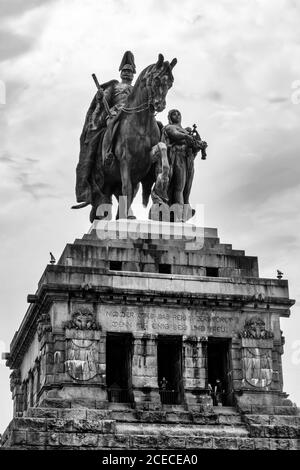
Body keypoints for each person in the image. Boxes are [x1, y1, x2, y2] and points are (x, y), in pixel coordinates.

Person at [74, 51, 136, 208]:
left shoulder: (137, 89)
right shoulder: (114, 86)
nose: (127, 74)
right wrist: (100, 97)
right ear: (121, 72)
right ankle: (108, 152)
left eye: (130, 71)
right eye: (125, 71)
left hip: (135, 117)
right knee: (114, 125)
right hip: (115, 113)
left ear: (134, 74)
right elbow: (103, 103)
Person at [162, 109, 206, 221]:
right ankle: (178, 214)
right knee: (179, 187)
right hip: (178, 158)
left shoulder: (187, 130)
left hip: (189, 159)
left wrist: (200, 145)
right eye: (174, 114)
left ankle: (184, 211)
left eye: (178, 113)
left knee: (187, 189)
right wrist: (187, 137)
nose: (176, 115)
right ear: (170, 117)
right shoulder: (170, 127)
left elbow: (193, 145)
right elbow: (175, 135)